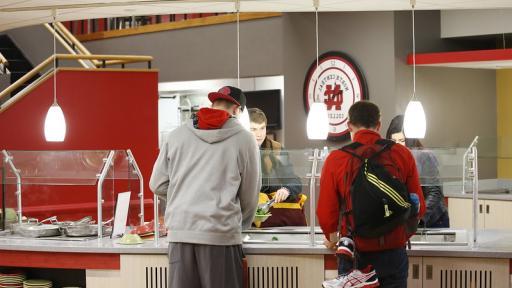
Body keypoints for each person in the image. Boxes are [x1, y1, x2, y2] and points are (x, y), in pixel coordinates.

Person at [150, 86, 261, 288]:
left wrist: (184, 196)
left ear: (213, 104)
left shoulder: (176, 136)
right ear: (238, 111)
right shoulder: (245, 140)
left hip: (180, 235)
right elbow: (250, 196)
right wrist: (238, 225)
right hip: (221, 235)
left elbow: (156, 184)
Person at [317, 101, 425, 288]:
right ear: (379, 125)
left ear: (349, 125)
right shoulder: (402, 154)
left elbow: (326, 213)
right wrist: (399, 235)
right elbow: (418, 206)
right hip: (394, 253)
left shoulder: (336, 159)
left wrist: (334, 240)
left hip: (356, 254)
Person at [386, 115, 450, 228]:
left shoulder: (424, 156)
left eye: (401, 140)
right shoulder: (390, 158)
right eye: (393, 140)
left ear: (410, 140)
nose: (397, 145)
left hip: (433, 219)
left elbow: (435, 192)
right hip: (409, 220)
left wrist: (420, 217)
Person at [248, 108, 306, 227]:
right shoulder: (237, 149)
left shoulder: (277, 149)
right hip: (244, 216)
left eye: (262, 128)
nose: (259, 134)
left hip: (272, 218)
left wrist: (286, 190)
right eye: (253, 129)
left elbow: (294, 181)